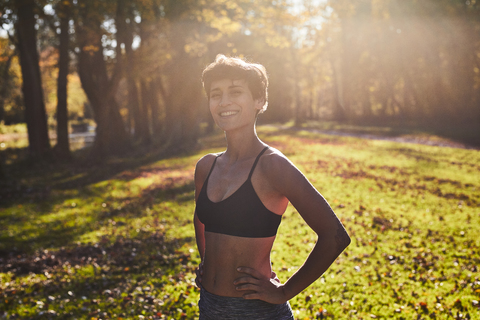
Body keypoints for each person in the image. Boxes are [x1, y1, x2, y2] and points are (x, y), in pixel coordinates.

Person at [193, 54, 351, 320]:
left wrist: (284, 292)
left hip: (256, 311)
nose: (224, 102)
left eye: (235, 92)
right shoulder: (206, 167)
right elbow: (201, 219)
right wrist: (206, 261)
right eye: (215, 94)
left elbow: (335, 236)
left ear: (259, 101)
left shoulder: (272, 166)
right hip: (209, 305)